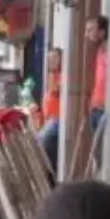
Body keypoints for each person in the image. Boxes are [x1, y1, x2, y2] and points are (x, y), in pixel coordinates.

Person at [37, 47, 62, 178]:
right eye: (49, 59)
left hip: (57, 120)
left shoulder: (61, 76)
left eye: (54, 58)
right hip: (49, 120)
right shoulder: (53, 75)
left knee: (41, 142)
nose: (50, 61)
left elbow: (55, 90)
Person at [86, 16, 109, 136]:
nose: (87, 34)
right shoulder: (100, 51)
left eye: (91, 30)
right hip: (95, 108)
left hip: (104, 109)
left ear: (101, 32)